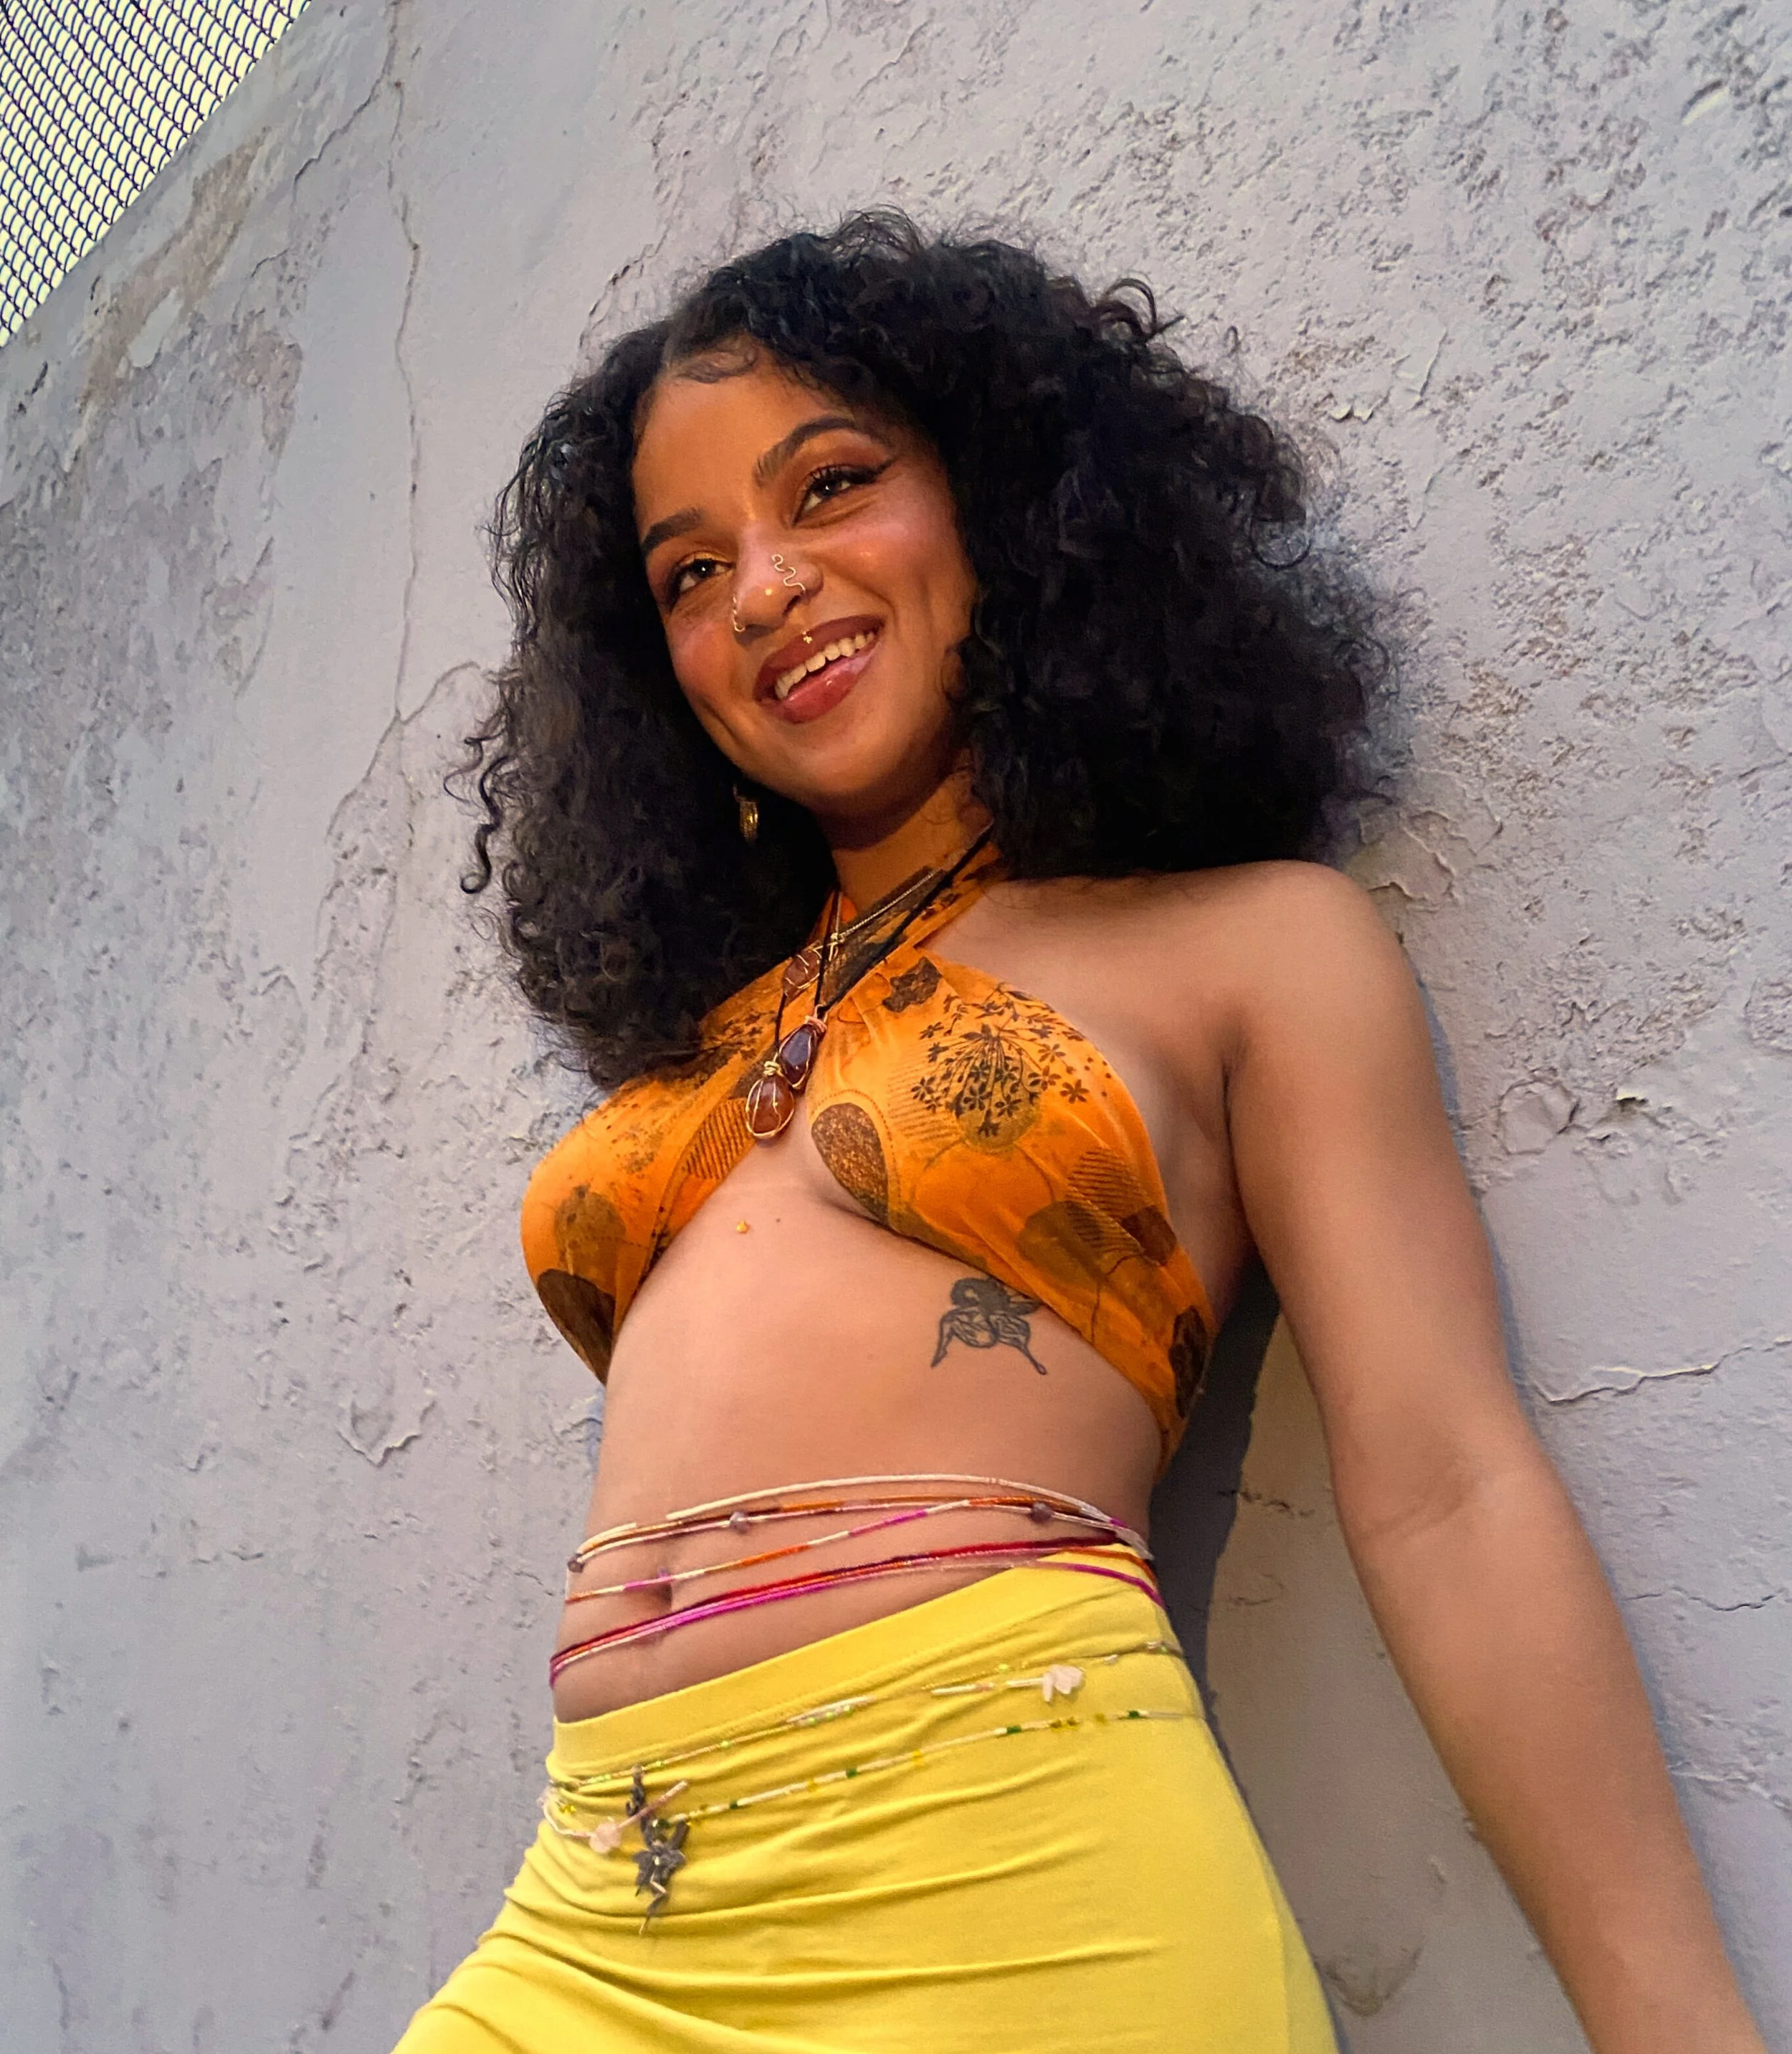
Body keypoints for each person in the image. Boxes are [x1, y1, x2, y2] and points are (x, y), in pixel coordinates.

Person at [394, 215, 1764, 2053]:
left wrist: (1674, 2029)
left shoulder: (1245, 945)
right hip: (589, 1918)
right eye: (690, 568)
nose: (767, 587)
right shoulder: (705, 1042)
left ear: (1008, 500)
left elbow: (1442, 1482)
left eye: (833, 487)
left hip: (1009, 1880)